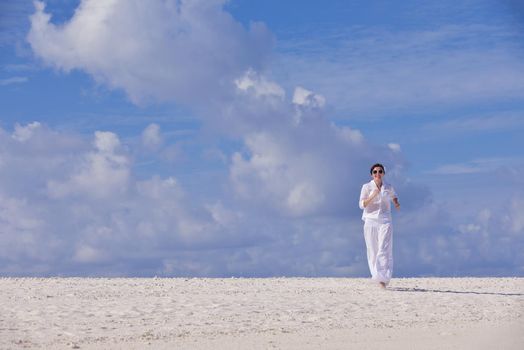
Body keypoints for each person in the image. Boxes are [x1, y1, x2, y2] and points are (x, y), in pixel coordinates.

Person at [359, 163, 400, 289]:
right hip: (370, 221)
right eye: (375, 172)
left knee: (384, 248)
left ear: (383, 173)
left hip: (385, 220)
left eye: (380, 171)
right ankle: (377, 276)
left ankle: (383, 279)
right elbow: (362, 204)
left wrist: (396, 203)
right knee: (373, 250)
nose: (377, 174)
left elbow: (394, 195)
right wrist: (373, 195)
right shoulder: (366, 187)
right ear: (371, 174)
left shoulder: (388, 187)